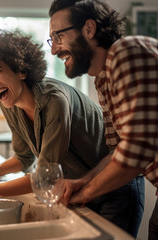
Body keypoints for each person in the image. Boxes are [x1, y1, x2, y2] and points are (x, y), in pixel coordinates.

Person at [0, 29, 143, 236]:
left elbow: (44, 177)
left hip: (115, 185)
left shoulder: (54, 100)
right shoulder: (9, 104)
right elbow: (23, 158)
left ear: (20, 70)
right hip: (77, 188)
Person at [48, 0, 158, 239]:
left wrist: (85, 194)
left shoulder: (125, 52)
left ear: (89, 29)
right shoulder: (103, 78)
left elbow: (135, 152)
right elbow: (119, 149)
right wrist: (83, 181)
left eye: (58, 36)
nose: (54, 50)